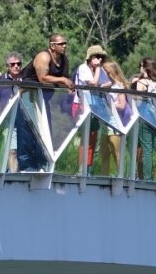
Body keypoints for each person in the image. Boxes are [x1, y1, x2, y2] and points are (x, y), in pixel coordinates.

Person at [18, 33, 72, 172]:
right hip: (26, 96)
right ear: (52, 46)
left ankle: (41, 165)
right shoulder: (43, 57)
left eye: (65, 43)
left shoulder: (64, 60)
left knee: (45, 131)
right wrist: (63, 80)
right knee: (27, 132)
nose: (64, 46)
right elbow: (42, 78)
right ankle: (26, 167)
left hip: (43, 99)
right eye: (61, 44)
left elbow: (65, 80)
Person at [75, 45, 115, 174]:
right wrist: (98, 69)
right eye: (98, 57)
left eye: (102, 57)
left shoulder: (100, 70)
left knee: (93, 139)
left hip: (95, 108)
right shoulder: (83, 68)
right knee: (85, 140)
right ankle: (82, 169)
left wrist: (101, 82)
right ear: (91, 57)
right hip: (84, 107)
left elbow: (110, 83)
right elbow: (93, 83)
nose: (100, 60)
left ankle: (88, 168)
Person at [131, 57, 156, 181]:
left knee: (147, 149)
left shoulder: (143, 83)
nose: (140, 68)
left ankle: (147, 178)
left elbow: (137, 101)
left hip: (146, 117)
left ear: (146, 68)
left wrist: (136, 82)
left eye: (141, 66)